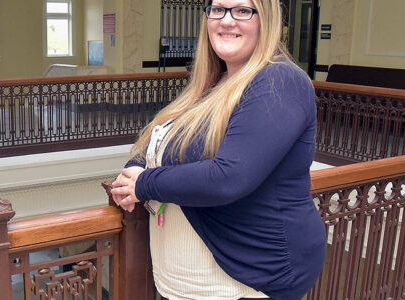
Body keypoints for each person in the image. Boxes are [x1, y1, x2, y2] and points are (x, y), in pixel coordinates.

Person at [110, 0, 326, 299]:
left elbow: (230, 176)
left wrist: (145, 183)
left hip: (249, 275)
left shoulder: (279, 81)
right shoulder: (213, 80)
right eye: (218, 9)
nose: (226, 21)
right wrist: (137, 166)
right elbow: (167, 137)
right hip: (193, 278)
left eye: (242, 10)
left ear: (266, 19)